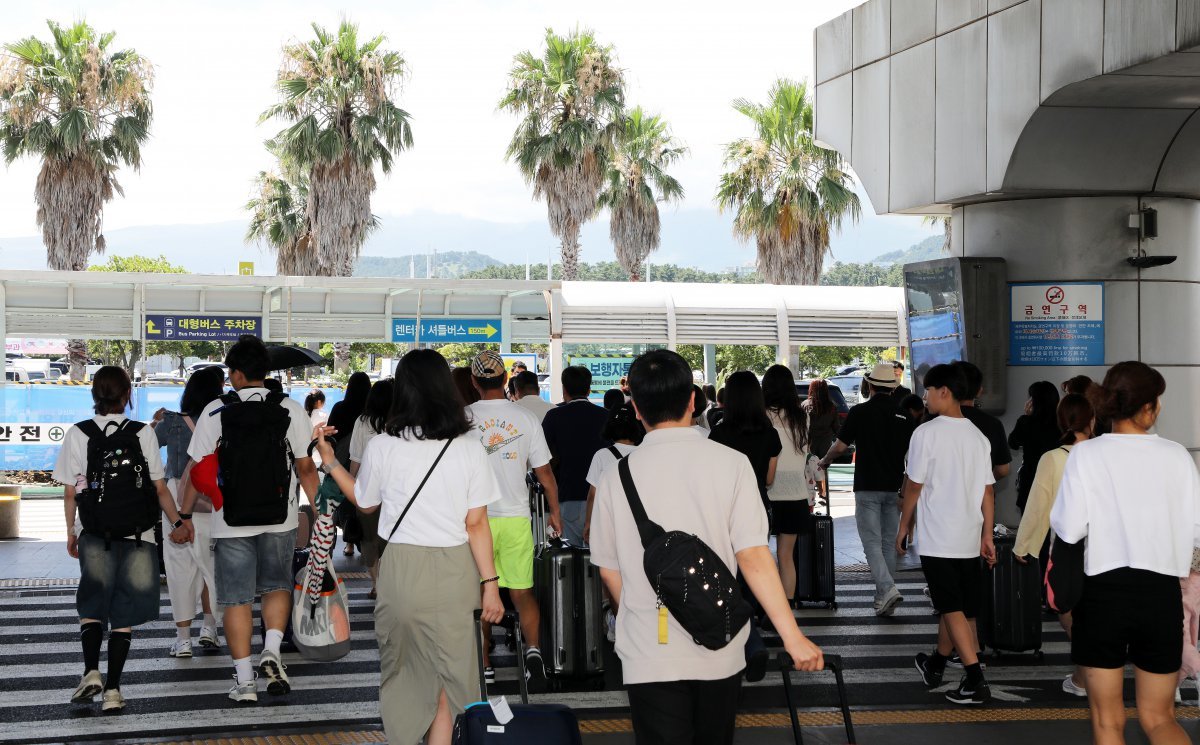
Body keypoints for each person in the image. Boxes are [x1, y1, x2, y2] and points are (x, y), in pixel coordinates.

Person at [590, 350, 823, 745]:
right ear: (693, 400)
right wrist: (792, 636)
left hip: (649, 648)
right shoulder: (730, 463)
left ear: (636, 407)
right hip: (720, 641)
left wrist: (641, 616)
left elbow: (609, 569)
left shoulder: (616, 474)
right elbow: (753, 556)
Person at [314, 349, 505, 745]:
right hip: (454, 571)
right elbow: (476, 524)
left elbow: (364, 502)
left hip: (400, 569)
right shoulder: (469, 447)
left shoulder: (384, 445)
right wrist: (490, 584)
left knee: (403, 674)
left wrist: (330, 461)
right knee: (451, 678)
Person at [1051, 361, 1200, 745]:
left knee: (1107, 721)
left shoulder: (1086, 455)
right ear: (1149, 406)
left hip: (1103, 595)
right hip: (1161, 594)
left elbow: (1068, 529)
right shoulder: (1177, 456)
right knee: (1160, 717)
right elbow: (1195, 532)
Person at [180, 335, 320, 704]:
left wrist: (186, 513)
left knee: (237, 600)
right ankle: (271, 649)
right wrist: (319, 511)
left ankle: (244, 683)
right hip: (281, 517)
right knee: (276, 586)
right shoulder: (291, 408)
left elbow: (196, 471)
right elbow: (305, 468)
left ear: (237, 374)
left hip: (230, 521)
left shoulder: (214, 412)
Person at [55, 366, 191, 713]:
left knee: (92, 604)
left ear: (94, 394)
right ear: (127, 395)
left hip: (94, 532)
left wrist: (72, 532)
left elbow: (72, 492)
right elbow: (159, 488)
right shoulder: (143, 433)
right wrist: (178, 522)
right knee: (123, 611)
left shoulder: (77, 433)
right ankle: (113, 690)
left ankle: (90, 671)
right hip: (138, 534)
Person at [897, 363, 996, 705]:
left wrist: (904, 525)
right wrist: (987, 535)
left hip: (939, 535)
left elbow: (913, 486)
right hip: (968, 535)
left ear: (944, 392)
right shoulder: (977, 436)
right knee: (961, 608)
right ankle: (936, 664)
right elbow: (988, 492)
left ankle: (975, 679)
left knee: (950, 606)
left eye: (927, 390)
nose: (924, 396)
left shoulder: (926, 433)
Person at [465, 350, 561, 683]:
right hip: (517, 517)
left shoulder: (462, 419)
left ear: (474, 382)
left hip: (476, 521)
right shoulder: (525, 418)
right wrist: (555, 512)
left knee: (480, 593)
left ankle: (485, 663)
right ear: (506, 379)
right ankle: (533, 651)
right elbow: (544, 471)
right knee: (521, 592)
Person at [1013, 393, 1094, 697]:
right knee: (1092, 610)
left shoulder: (1053, 458)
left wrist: (1024, 547)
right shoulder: (1102, 455)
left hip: (1067, 547)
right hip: (1106, 547)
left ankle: (1086, 674)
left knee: (1066, 608)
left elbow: (1038, 507)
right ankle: (1089, 670)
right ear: (1093, 420)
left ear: (1062, 421)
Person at [819, 363, 915, 616]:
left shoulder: (860, 412)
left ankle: (887, 587)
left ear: (870, 386)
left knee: (871, 543)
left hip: (866, 487)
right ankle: (884, 598)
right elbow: (912, 458)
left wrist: (824, 461)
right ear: (893, 389)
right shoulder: (905, 417)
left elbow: (839, 447)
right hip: (893, 487)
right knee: (887, 544)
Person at [152, 365, 225, 657]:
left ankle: (183, 640)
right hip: (212, 498)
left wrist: (153, 421)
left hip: (175, 500)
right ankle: (210, 628)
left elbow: (146, 447)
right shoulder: (223, 419)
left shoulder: (170, 421)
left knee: (180, 569)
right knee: (213, 568)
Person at [760, 365, 815, 607]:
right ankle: (788, 606)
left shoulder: (762, 416)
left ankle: (766, 605)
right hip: (796, 492)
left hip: (767, 490)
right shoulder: (803, 416)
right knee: (786, 556)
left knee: (760, 554)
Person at [542, 365, 609, 546]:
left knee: (568, 558)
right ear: (589, 389)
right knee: (597, 559)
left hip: (566, 495)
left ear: (564, 389)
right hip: (600, 499)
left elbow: (544, 457)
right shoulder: (606, 416)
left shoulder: (554, 416)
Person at [349, 378, 393, 599]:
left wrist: (350, 484)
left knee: (369, 539)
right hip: (396, 490)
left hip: (368, 488)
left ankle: (376, 584)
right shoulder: (402, 422)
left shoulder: (363, 421)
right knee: (390, 538)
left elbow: (355, 458)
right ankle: (387, 583)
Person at [328, 372, 371, 556]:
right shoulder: (370, 412)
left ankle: (348, 543)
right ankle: (362, 541)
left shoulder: (340, 408)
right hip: (366, 464)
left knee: (343, 503)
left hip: (341, 464)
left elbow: (331, 435)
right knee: (364, 501)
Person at [950, 361, 1012, 482]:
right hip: (981, 498)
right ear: (979, 391)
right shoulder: (993, 424)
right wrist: (984, 483)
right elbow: (1003, 470)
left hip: (939, 498)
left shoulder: (933, 421)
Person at [1007, 381, 1061, 513]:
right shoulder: (1062, 423)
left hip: (1031, 479)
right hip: (1057, 479)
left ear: (1034, 401)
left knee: (1029, 526)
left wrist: (1026, 416)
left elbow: (1013, 443)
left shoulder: (1026, 422)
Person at [802, 379, 840, 502]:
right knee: (822, 469)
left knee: (808, 471)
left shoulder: (805, 405)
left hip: (808, 444)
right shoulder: (831, 407)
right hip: (825, 445)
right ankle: (823, 493)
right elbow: (836, 428)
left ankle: (809, 497)